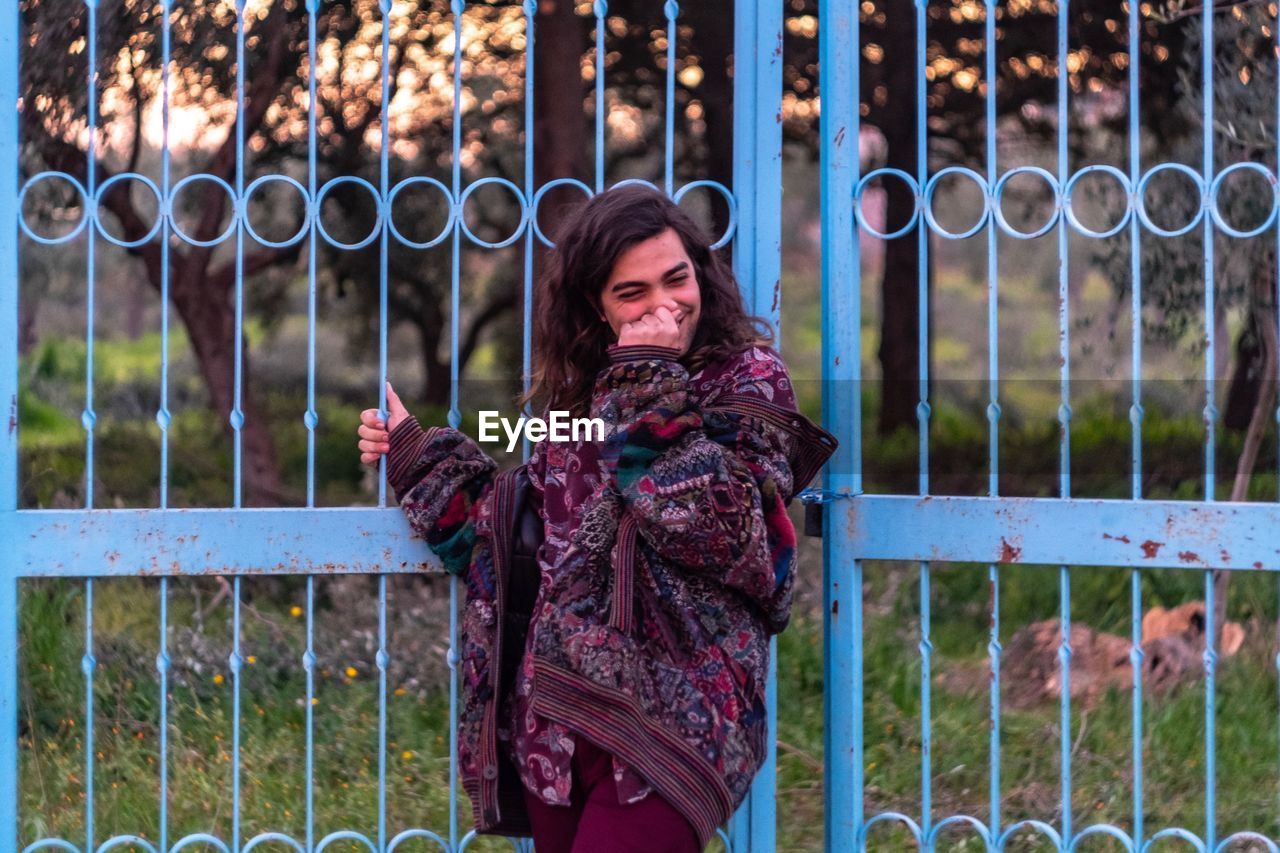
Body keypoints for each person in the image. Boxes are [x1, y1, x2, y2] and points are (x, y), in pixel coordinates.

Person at [356, 184, 837, 852]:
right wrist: (413, 453)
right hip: (557, 717)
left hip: (675, 724)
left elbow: (728, 534)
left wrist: (648, 376)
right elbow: (519, 537)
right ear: (596, 306)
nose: (664, 306)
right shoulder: (588, 395)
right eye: (631, 293)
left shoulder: (747, 381)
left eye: (677, 279)